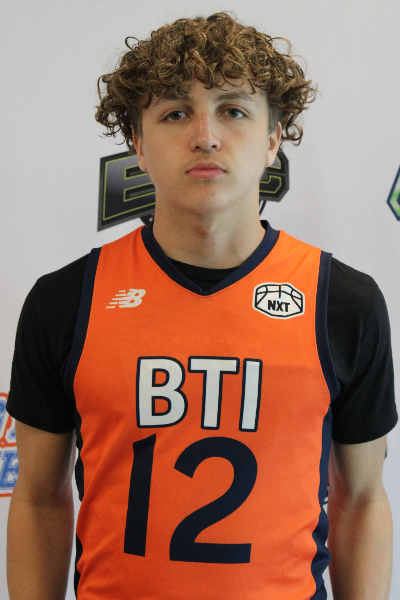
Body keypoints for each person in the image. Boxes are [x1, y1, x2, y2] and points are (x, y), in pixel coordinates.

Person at [6, 12, 398, 600]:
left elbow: (362, 498)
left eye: (234, 110)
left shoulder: (343, 303)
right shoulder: (65, 301)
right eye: (175, 113)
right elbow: (38, 498)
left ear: (273, 140)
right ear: (138, 144)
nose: (206, 136)